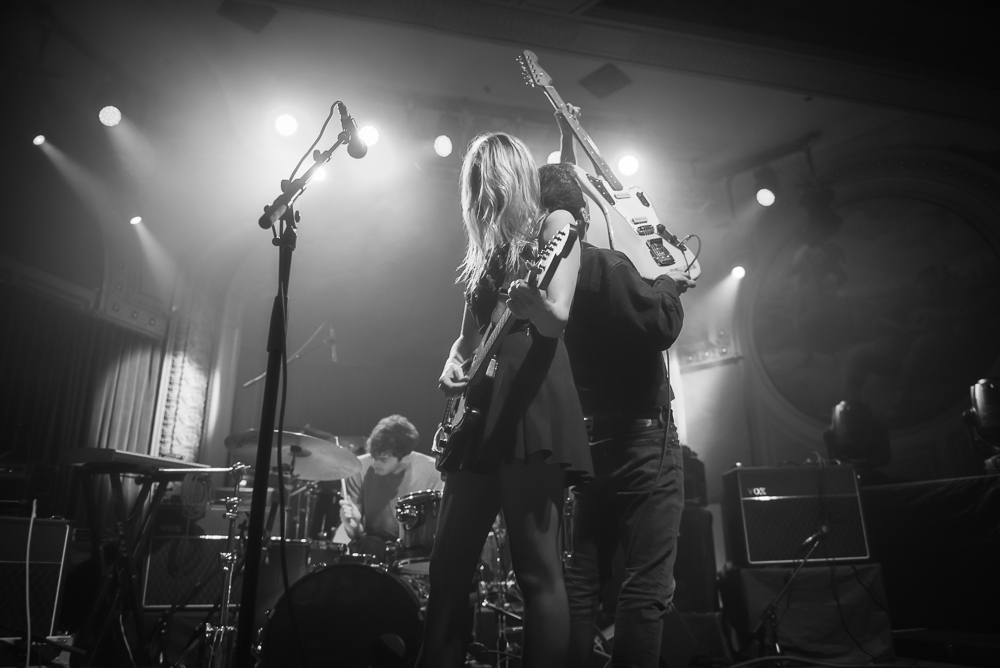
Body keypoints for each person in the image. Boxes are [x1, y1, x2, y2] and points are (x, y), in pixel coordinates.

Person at [423, 131, 592, 668]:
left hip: (531, 400)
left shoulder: (554, 225)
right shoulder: (485, 253)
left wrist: (533, 305)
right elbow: (466, 340)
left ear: (514, 178)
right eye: (474, 183)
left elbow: (557, 318)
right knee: (447, 569)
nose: (481, 193)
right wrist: (453, 364)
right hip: (477, 413)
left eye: (489, 180)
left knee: (537, 570)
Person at [546, 108, 695, 667]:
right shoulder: (604, 266)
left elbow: (561, 197)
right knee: (646, 584)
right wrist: (671, 282)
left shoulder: (548, 275)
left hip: (589, 444)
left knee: (581, 580)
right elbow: (661, 324)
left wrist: (566, 142)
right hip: (642, 440)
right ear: (584, 214)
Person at [338, 414, 443, 555]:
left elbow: (436, 532)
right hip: (373, 547)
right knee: (370, 545)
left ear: (405, 458)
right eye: (373, 456)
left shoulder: (433, 471)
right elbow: (355, 535)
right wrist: (353, 526)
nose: (374, 464)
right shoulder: (357, 468)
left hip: (416, 548)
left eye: (383, 459)